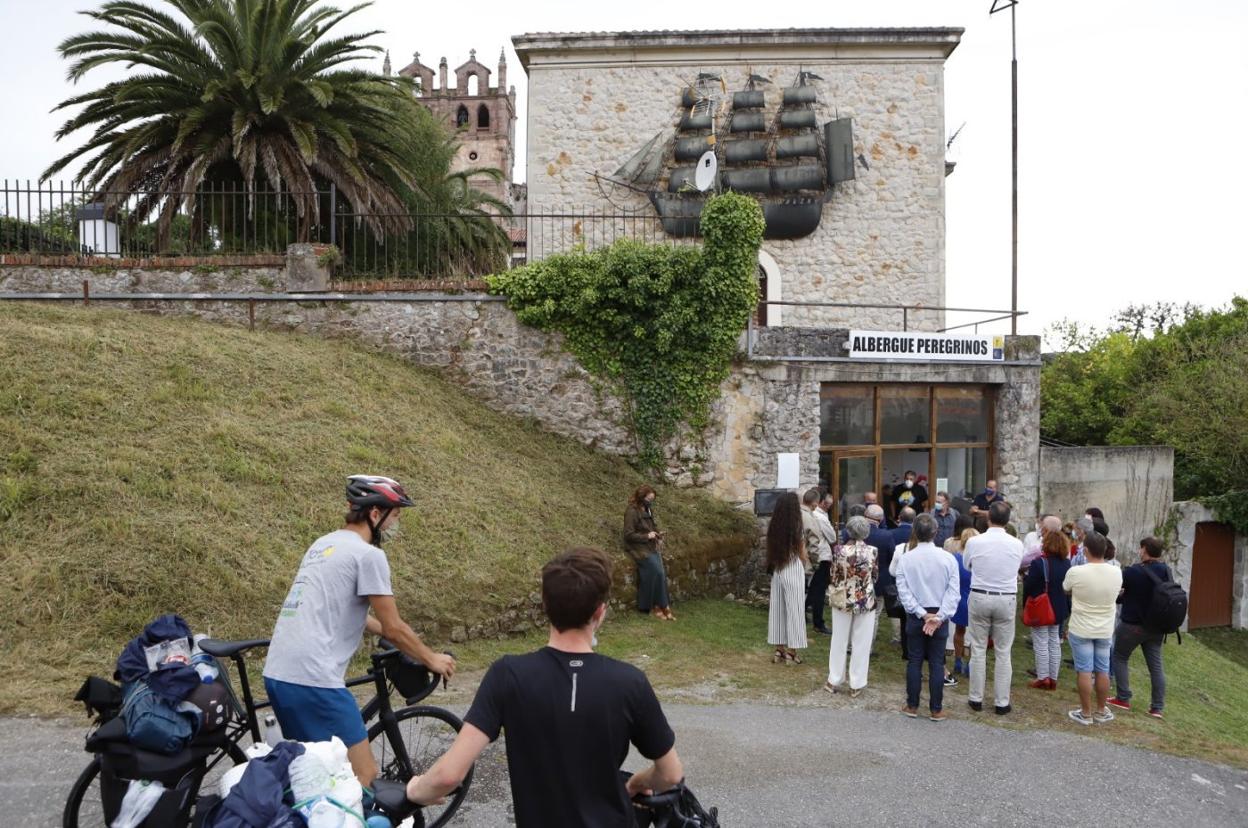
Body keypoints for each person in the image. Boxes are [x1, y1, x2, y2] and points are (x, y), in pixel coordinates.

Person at [404, 548, 684, 826]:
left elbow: (449, 775)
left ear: (545, 605)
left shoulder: (507, 674)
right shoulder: (630, 681)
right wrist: (636, 782)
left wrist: (413, 790)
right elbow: (670, 775)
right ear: (600, 612)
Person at [263, 475, 456, 786]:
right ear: (375, 514)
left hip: (279, 674)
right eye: (395, 516)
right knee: (362, 775)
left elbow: (354, 614)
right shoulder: (369, 556)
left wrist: (404, 642)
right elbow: (393, 628)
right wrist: (431, 658)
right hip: (314, 680)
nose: (396, 525)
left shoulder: (324, 544)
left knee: (312, 775)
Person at [896, 514, 962, 721]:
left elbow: (903, 591)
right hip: (937, 611)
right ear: (936, 532)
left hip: (918, 613)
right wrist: (939, 616)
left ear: (914, 532)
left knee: (915, 660)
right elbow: (954, 593)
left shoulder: (906, 559)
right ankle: (936, 708)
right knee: (936, 661)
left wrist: (923, 614)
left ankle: (912, 705)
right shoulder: (947, 558)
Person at [962, 501, 1025, 715]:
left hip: (980, 594)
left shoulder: (975, 541)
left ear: (989, 519)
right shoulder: (1016, 543)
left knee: (978, 648)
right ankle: (1001, 701)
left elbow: (966, 565)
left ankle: (975, 698)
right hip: (1005, 597)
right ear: (1008, 521)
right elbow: (1017, 566)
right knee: (1003, 651)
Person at [1107, 537, 1172, 718]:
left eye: (1140, 548)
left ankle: (1123, 698)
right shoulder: (1167, 570)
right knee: (1156, 667)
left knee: (1120, 657)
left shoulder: (1133, 572)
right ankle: (1157, 707)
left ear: (1144, 550)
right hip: (1157, 627)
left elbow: (1120, 592)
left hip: (1132, 625)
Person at [1062, 531, 1122, 725]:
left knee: (1085, 670)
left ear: (1085, 550)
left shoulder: (1077, 572)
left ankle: (1086, 712)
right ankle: (1101, 710)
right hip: (1104, 628)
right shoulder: (1116, 572)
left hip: (1081, 627)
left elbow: (1065, 588)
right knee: (1103, 670)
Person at [824, 515, 878, 697]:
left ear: (848, 531)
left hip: (842, 599)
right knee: (861, 642)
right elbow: (875, 575)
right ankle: (857, 683)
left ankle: (834, 679)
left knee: (839, 640)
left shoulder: (839, 551)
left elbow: (833, 574)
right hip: (865, 599)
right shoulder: (872, 551)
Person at [1022, 530, 1072, 691]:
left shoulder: (1039, 563)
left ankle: (1043, 677)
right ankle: (1053, 678)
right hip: (1060, 607)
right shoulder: (1066, 564)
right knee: (1054, 643)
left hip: (1043, 607)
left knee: (1041, 643)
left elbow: (1029, 586)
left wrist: (1025, 606)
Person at [767, 492, 809, 664]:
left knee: (777, 609)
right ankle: (792, 652)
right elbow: (802, 552)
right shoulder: (796, 526)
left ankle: (779, 650)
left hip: (778, 567)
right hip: (792, 565)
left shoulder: (774, 525)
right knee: (795, 608)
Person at [623, 485, 674, 621]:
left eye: (652, 500)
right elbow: (628, 535)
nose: (650, 502)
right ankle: (651, 606)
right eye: (648, 499)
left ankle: (662, 605)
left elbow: (652, 527)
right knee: (656, 571)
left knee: (661, 573)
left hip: (650, 546)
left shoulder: (648, 509)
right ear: (641, 497)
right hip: (637, 547)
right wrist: (647, 536)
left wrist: (657, 534)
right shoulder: (631, 511)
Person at [802, 488, 836, 635]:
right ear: (820, 503)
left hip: (815, 555)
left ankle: (804, 614)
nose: (828, 507)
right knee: (819, 591)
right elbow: (833, 537)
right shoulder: (820, 517)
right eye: (827, 505)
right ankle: (818, 622)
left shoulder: (808, 514)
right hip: (821, 556)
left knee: (813, 589)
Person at [864, 504, 898, 649]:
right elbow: (892, 556)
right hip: (879, 580)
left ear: (865, 515)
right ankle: (868, 647)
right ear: (881, 519)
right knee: (874, 614)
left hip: (857, 579)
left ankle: (853, 645)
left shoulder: (853, 532)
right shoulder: (886, 535)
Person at [945, 527, 975, 677]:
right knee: (977, 634)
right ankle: (971, 663)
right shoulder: (979, 558)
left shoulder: (955, 558)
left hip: (960, 597)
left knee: (959, 630)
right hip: (975, 597)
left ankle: (958, 660)